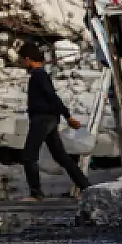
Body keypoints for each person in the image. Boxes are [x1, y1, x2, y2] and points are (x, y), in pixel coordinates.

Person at [18, 41, 91, 201]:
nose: (23, 64)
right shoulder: (40, 75)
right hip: (48, 119)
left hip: (42, 119)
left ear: (28, 59)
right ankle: (86, 187)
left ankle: (36, 193)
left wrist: (68, 116)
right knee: (61, 156)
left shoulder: (38, 75)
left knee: (29, 156)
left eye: (23, 61)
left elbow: (52, 96)